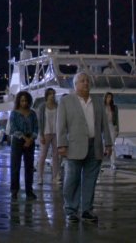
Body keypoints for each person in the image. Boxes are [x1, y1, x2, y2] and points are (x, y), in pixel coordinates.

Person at [57, 72, 111, 223]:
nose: (86, 83)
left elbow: (104, 125)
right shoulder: (66, 101)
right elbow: (60, 125)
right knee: (72, 179)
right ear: (75, 84)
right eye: (82, 81)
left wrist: (108, 143)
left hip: (95, 145)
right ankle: (70, 210)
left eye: (87, 80)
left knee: (90, 180)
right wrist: (61, 144)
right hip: (74, 146)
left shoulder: (98, 101)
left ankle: (87, 210)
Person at [9, 91, 38, 200]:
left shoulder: (33, 113)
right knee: (15, 166)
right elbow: (13, 129)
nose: (24, 103)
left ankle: (29, 191)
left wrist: (31, 139)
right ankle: (14, 191)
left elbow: (36, 128)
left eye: (26, 100)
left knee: (29, 167)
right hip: (18, 141)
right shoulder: (14, 113)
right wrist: (24, 138)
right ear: (18, 101)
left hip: (30, 141)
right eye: (22, 101)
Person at [35, 88, 60, 185]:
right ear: (47, 95)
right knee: (43, 155)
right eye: (50, 94)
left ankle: (55, 176)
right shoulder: (42, 107)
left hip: (56, 133)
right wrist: (41, 134)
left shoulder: (57, 106)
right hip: (46, 132)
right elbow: (40, 121)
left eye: (53, 94)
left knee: (56, 155)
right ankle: (40, 177)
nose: (52, 96)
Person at [104, 92, 120, 170]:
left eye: (110, 97)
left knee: (112, 145)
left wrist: (117, 129)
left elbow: (116, 119)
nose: (109, 99)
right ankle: (99, 164)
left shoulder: (114, 107)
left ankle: (113, 163)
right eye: (107, 97)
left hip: (111, 126)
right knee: (103, 145)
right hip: (103, 127)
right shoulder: (102, 107)